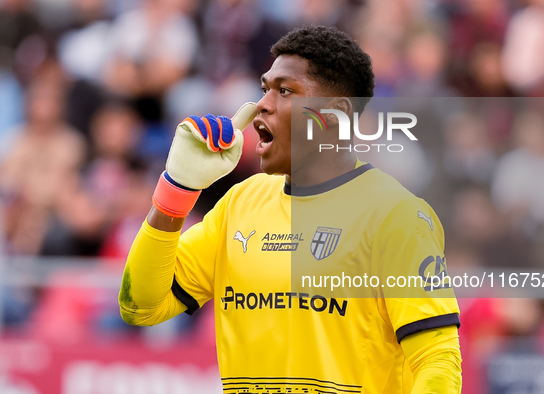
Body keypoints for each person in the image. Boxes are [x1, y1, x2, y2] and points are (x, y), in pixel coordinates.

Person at [119, 26, 462, 393]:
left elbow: (437, 359)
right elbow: (140, 305)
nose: (262, 105)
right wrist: (178, 188)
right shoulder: (240, 202)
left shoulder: (396, 217)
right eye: (264, 88)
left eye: (285, 91)